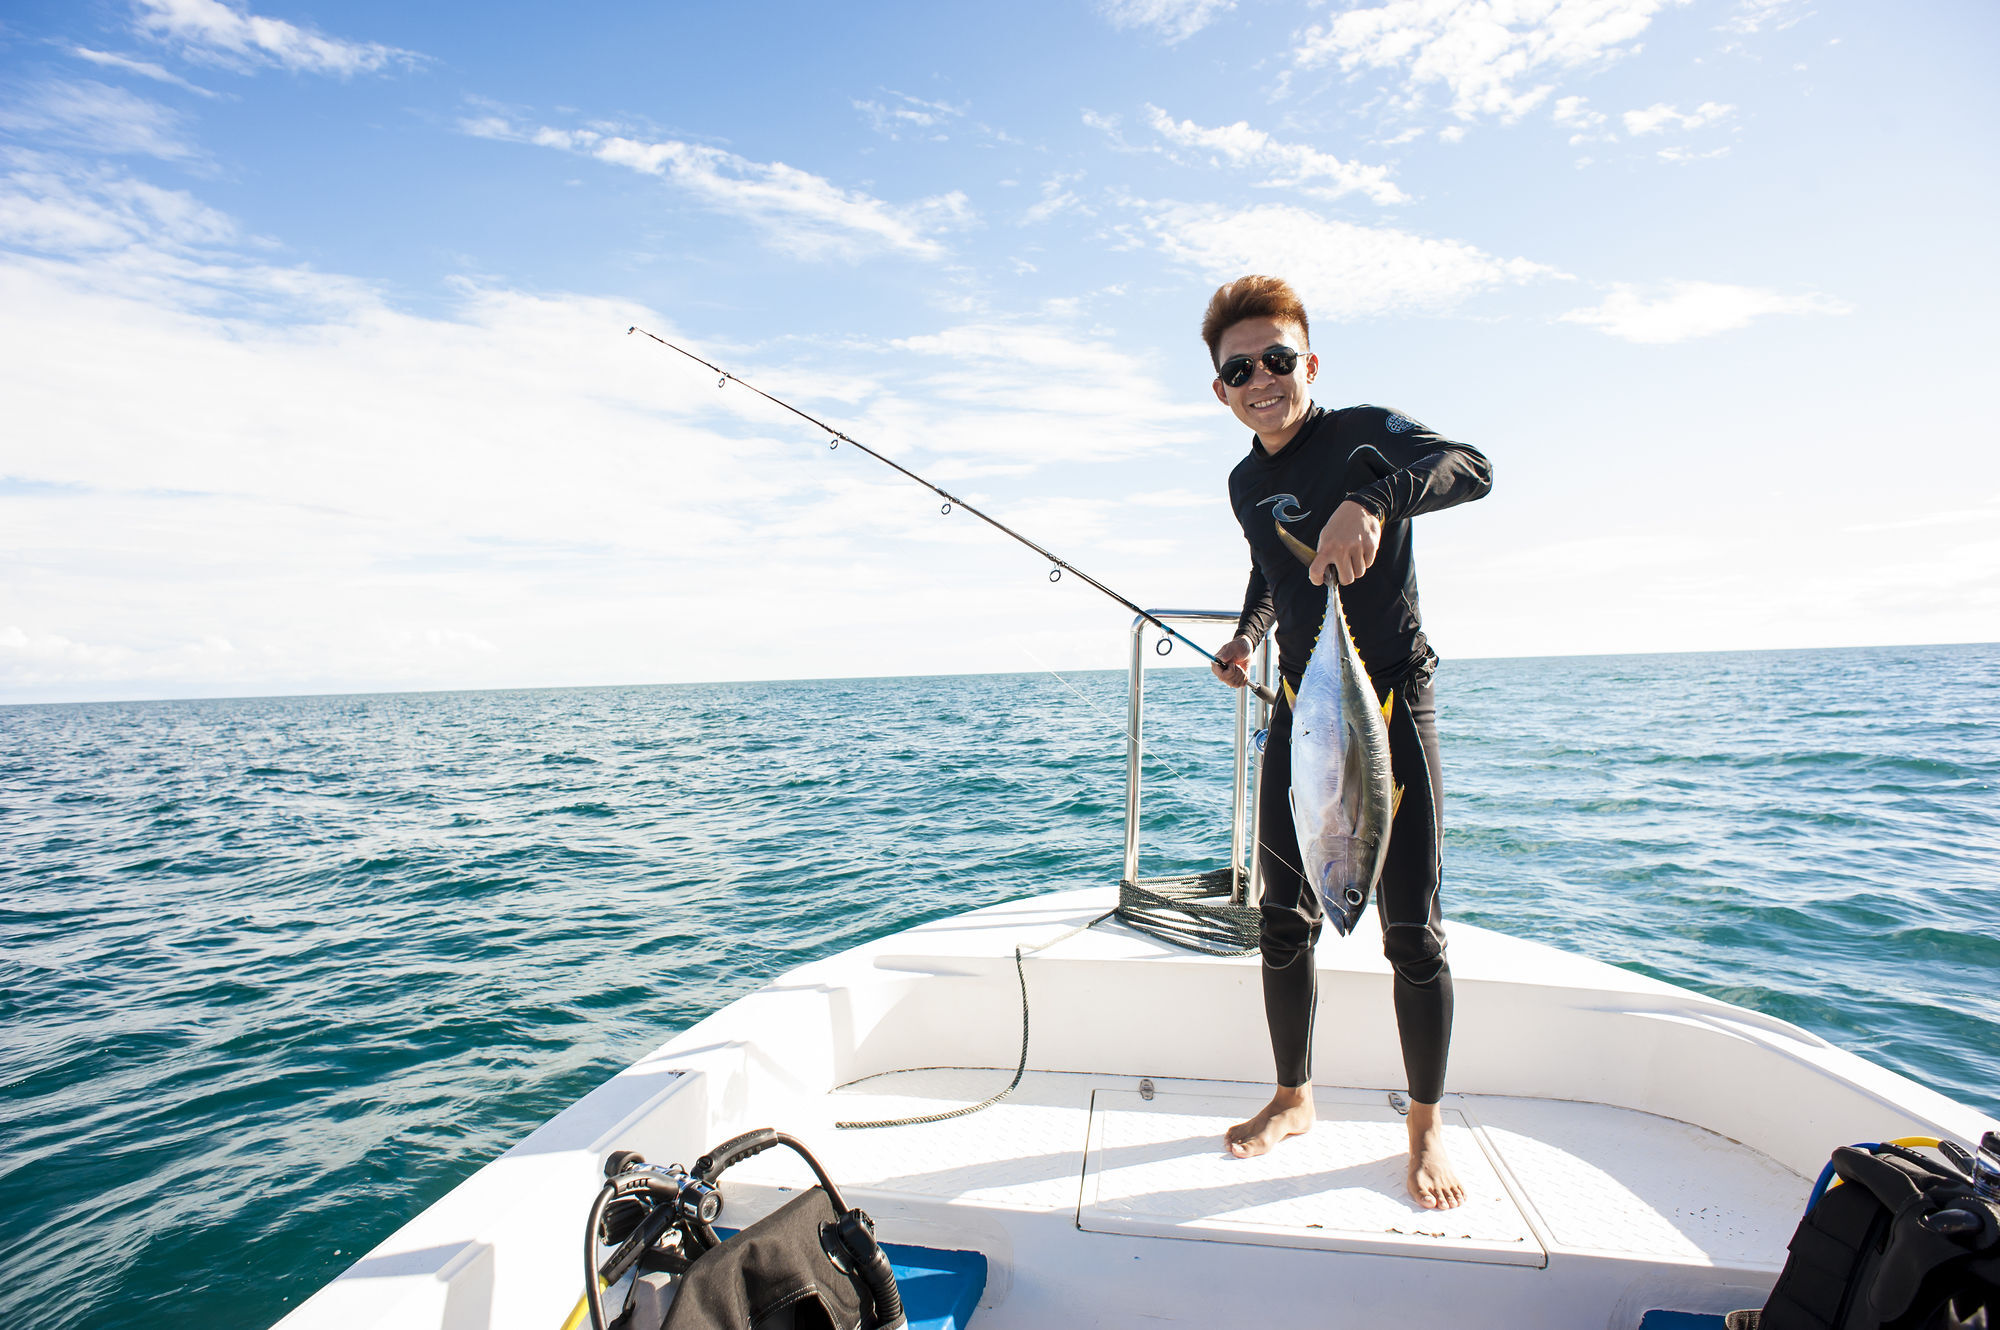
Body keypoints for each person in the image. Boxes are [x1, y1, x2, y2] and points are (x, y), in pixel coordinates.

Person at [1202, 274, 1492, 1211]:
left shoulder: (1366, 433)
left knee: (1411, 928)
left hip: (1392, 703)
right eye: (1240, 368)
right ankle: (1294, 1096)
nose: (1262, 379)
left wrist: (1374, 503)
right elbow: (1266, 572)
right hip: (1300, 701)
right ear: (1221, 389)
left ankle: (1426, 1125)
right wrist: (1248, 638)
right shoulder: (1247, 482)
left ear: (1308, 364)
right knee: (1281, 918)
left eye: (1278, 360)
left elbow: (1473, 465)